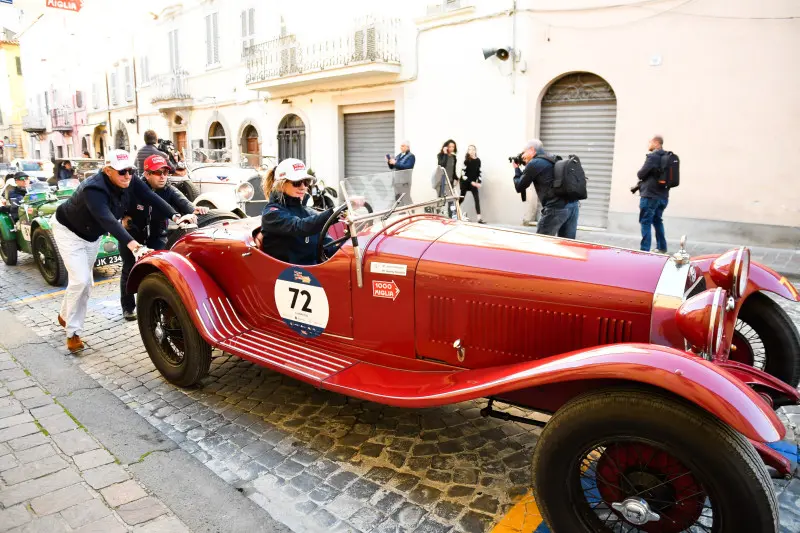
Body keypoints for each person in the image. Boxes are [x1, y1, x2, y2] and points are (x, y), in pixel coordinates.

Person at [51, 150, 192, 352]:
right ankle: (73, 332)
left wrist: (176, 217)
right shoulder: (93, 189)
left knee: (84, 282)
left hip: (92, 236)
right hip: (69, 232)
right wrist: (132, 244)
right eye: (122, 172)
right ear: (108, 170)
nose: (127, 176)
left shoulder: (131, 180)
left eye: (130, 171)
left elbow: (151, 196)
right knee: (81, 280)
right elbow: (107, 219)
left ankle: (65, 315)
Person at [118, 155, 208, 320]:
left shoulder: (169, 189)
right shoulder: (132, 187)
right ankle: (128, 307)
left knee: (158, 270)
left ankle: (156, 305)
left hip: (157, 233)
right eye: (157, 172)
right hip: (132, 233)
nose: (163, 176)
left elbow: (183, 202)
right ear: (147, 174)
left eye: (165, 172)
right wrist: (123, 217)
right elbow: (117, 206)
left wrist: (194, 209)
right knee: (129, 268)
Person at [260, 158, 335, 266]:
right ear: (281, 184)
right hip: (288, 275)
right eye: (297, 182)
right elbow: (300, 226)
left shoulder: (308, 212)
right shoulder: (272, 213)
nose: (303, 187)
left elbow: (329, 247)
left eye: (306, 182)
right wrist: (333, 213)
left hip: (314, 272)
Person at [513, 139, 579, 239]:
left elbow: (519, 186)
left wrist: (516, 169)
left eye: (524, 152)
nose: (522, 156)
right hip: (572, 205)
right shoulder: (552, 157)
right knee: (568, 245)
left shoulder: (534, 163)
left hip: (556, 208)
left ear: (531, 150)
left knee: (542, 242)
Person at [636, 135, 669, 253]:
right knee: (657, 220)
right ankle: (662, 247)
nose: (648, 144)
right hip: (663, 197)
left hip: (650, 196)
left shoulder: (653, 157)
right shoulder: (667, 157)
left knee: (645, 222)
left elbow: (641, 174)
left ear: (656, 143)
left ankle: (644, 250)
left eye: (650, 142)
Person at [459, 145, 484, 223]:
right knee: (461, 198)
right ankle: (453, 211)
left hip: (473, 183)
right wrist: (471, 182)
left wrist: (479, 182)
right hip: (465, 182)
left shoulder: (478, 160)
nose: (472, 151)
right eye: (470, 150)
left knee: (477, 199)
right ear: (468, 151)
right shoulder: (466, 161)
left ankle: (479, 218)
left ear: (475, 151)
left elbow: (479, 172)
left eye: (473, 149)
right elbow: (463, 174)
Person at [386, 140, 415, 205]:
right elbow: (392, 167)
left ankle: (412, 213)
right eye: (401, 146)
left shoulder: (411, 156)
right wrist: (389, 161)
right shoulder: (399, 155)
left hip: (405, 182)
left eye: (403, 146)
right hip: (397, 181)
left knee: (406, 198)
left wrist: (395, 163)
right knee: (398, 199)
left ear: (408, 147)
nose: (401, 147)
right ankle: (401, 214)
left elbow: (407, 167)